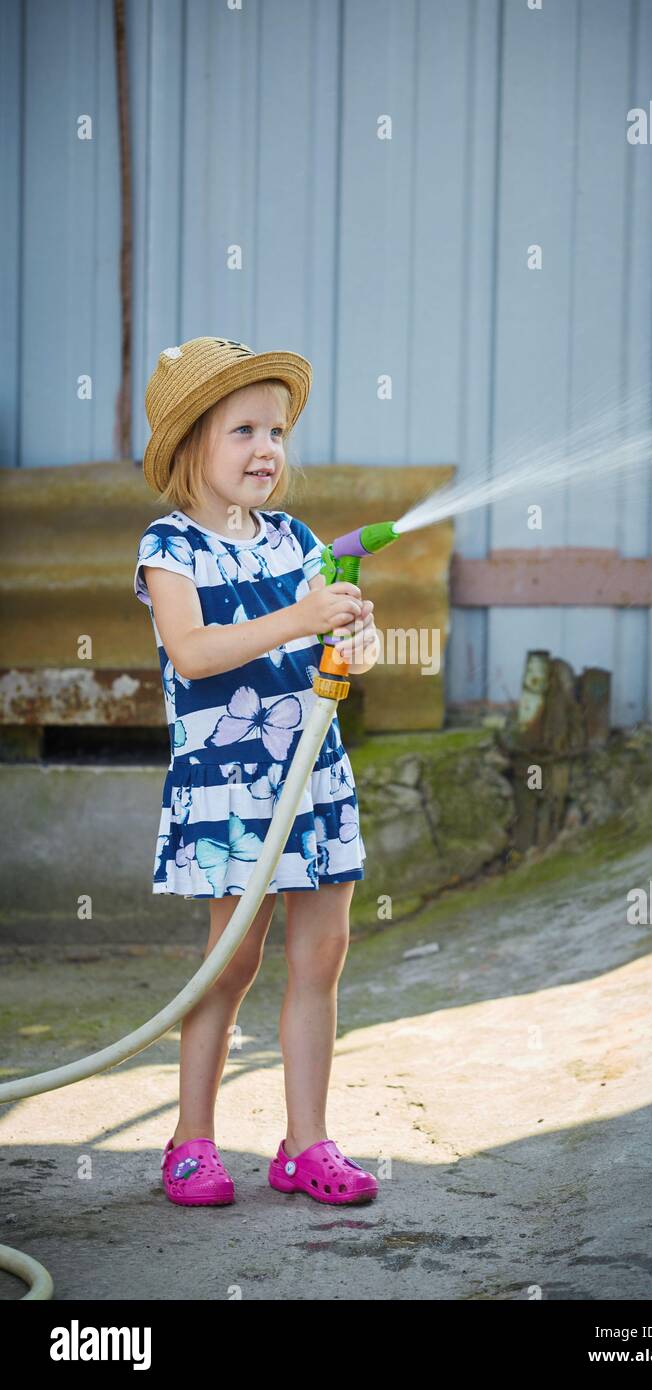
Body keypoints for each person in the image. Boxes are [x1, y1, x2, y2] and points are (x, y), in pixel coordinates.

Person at [134, 336, 381, 1206]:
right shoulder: (171, 548)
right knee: (229, 964)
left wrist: (351, 633)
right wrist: (298, 615)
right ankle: (191, 1141)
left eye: (275, 431)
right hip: (233, 789)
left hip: (313, 777)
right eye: (242, 430)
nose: (267, 449)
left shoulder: (296, 539)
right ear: (190, 444)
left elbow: (335, 642)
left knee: (321, 957)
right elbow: (195, 653)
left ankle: (306, 1145)